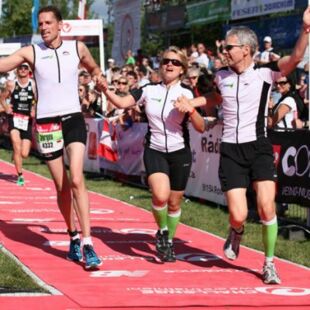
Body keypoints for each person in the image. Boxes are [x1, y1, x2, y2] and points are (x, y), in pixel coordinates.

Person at [184, 7, 310, 284]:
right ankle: (236, 230)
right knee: (238, 214)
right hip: (230, 149)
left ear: (246, 49)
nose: (224, 51)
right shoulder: (221, 75)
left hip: (259, 146)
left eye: (228, 47)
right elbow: (215, 99)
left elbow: (297, 57)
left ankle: (269, 263)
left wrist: (305, 30)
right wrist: (192, 103)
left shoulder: (266, 73)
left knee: (267, 207)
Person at [0, 5, 103, 269]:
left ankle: (88, 242)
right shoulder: (31, 52)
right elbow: (3, 64)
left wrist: (97, 80)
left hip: (73, 119)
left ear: (60, 25)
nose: (44, 27)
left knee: (78, 178)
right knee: (62, 186)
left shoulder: (77, 48)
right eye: (41, 24)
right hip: (46, 124)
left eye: (48, 23)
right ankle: (73, 236)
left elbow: (94, 68)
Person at [98, 46, 205, 262]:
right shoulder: (149, 90)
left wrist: (191, 110)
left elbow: (201, 127)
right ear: (160, 64)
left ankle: (168, 243)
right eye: (166, 60)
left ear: (182, 68)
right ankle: (163, 231)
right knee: (160, 195)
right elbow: (121, 102)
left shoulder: (187, 93)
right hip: (154, 149)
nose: (169, 65)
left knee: (174, 203)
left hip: (179, 153)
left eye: (175, 62)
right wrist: (105, 89)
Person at [6, 63, 36, 186]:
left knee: (24, 153)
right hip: (14, 118)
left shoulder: (33, 84)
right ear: (17, 70)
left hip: (27, 120)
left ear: (28, 70)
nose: (23, 70)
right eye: (20, 68)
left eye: (25, 68)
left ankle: (16, 154)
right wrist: (6, 107)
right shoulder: (11, 84)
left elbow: (38, 99)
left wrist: (34, 108)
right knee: (16, 145)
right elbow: (2, 97)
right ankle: (20, 175)